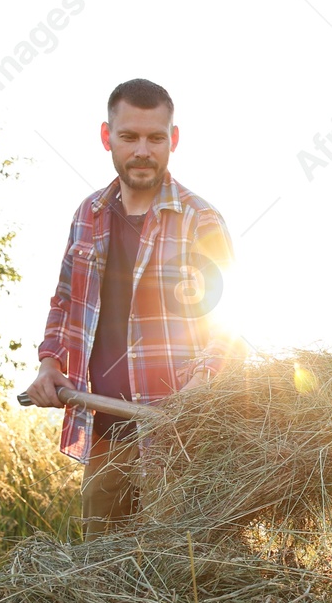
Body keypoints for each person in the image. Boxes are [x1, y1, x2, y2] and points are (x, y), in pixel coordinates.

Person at [24, 78, 234, 532]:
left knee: (179, 575)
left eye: (156, 138)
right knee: (101, 576)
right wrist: (48, 364)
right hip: (105, 432)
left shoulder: (201, 220)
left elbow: (228, 325)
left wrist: (203, 382)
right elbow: (64, 300)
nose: (143, 150)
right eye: (130, 137)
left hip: (179, 441)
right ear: (107, 138)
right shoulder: (88, 214)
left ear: (173, 140)